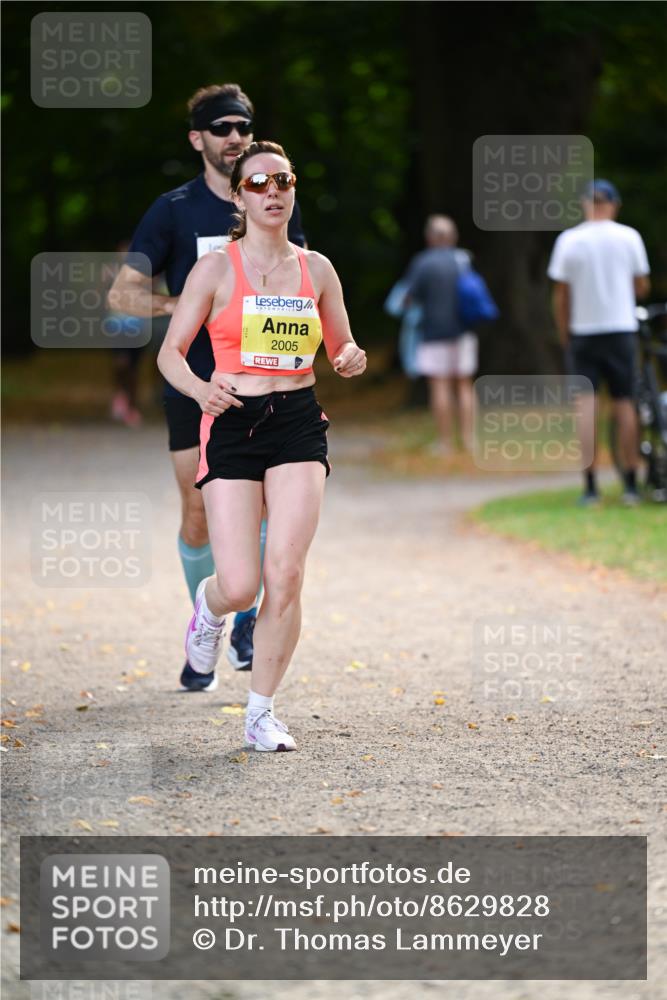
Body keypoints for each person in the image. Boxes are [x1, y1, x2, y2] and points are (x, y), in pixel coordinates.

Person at [157, 140, 366, 751]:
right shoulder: (216, 268)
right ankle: (209, 606)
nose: (272, 192)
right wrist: (201, 390)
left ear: (293, 190)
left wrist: (350, 359)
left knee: (288, 572)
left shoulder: (316, 268)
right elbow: (170, 353)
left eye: (283, 180)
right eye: (258, 184)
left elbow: (343, 349)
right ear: (239, 197)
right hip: (232, 422)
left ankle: (260, 712)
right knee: (241, 583)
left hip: (298, 420)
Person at [108, 84, 306, 690]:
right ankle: (208, 610)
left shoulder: (277, 200)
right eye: (220, 128)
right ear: (197, 139)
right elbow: (122, 295)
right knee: (198, 512)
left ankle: (244, 619)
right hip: (193, 384)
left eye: (243, 127)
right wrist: (185, 306)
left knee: (266, 505)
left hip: (267, 388)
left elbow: (305, 281)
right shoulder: (173, 210)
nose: (234, 137)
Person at [548, 179, 651, 506]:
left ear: (584, 204)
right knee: (625, 403)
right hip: (620, 328)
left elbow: (561, 295)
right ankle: (632, 485)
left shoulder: (569, 240)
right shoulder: (628, 237)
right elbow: (641, 285)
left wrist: (565, 332)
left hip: (583, 331)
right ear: (614, 205)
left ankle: (591, 486)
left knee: (585, 407)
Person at [402, 215, 477, 455]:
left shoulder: (423, 263)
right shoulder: (463, 259)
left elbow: (408, 298)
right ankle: (468, 440)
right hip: (464, 331)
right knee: (465, 385)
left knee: (440, 386)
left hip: (433, 333)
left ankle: (445, 443)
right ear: (453, 236)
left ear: (430, 237)